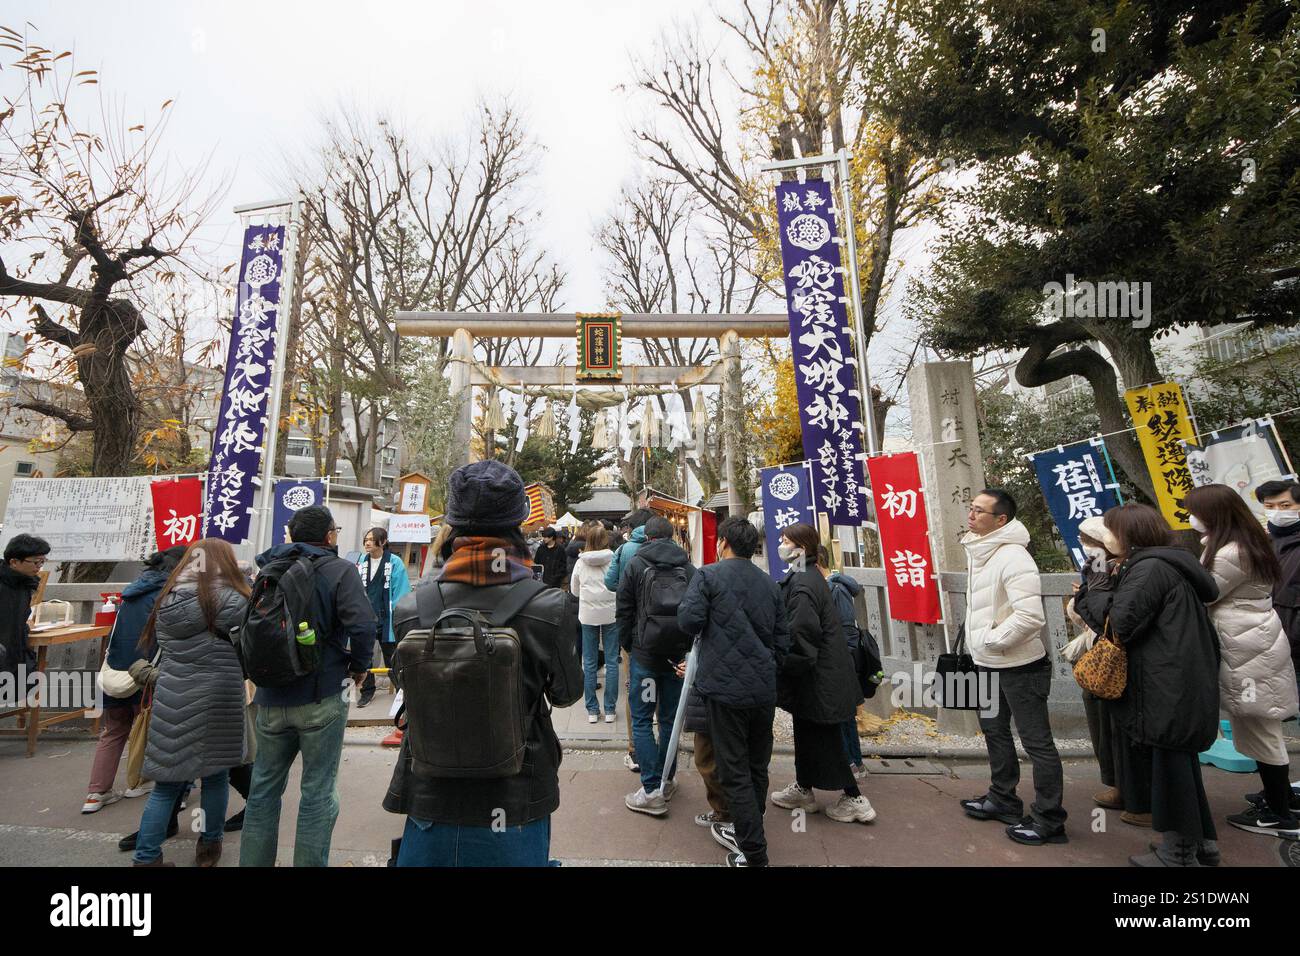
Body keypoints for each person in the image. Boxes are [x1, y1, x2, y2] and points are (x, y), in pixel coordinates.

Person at [383, 460, 582, 866]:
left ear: (452, 525)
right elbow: (565, 694)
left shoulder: (411, 608)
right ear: (518, 524)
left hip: (430, 800)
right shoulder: (549, 607)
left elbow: (406, 687)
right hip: (515, 800)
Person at [1074, 503, 1222, 867]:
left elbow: (1120, 625)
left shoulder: (1150, 568)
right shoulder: (1169, 562)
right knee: (1179, 764)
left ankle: (1178, 854)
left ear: (1127, 534)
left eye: (1111, 530)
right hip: (1179, 677)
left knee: (1171, 765)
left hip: (1164, 681)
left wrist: (1091, 590)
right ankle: (1200, 844)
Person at [239, 505, 377, 868]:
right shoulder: (340, 570)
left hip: (269, 699)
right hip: (322, 694)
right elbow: (363, 626)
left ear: (291, 534)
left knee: (263, 791)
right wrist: (360, 669)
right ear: (330, 536)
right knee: (316, 792)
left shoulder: (267, 569)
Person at [128, 538, 251, 867]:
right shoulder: (234, 599)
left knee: (166, 785)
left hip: (172, 694)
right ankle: (209, 848)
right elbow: (250, 648)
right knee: (215, 777)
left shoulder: (166, 599)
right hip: (220, 696)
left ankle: (146, 858)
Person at [1185, 484, 1299, 838]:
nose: (1191, 519)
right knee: (1260, 725)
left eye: (1195, 512)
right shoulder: (1248, 541)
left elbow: (1206, 592)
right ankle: (1278, 798)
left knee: (1260, 727)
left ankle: (1280, 816)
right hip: (1255, 639)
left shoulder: (1230, 552)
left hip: (1245, 646)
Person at [678, 516, 791, 867]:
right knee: (757, 765)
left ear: (724, 543)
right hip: (762, 689)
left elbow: (688, 621)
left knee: (734, 770)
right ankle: (750, 831)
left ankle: (754, 852)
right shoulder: (770, 583)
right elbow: (783, 641)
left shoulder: (708, 575)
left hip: (723, 690)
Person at [956, 489, 1066, 847]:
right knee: (994, 731)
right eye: (970, 508)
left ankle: (1049, 819)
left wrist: (990, 640)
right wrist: (981, 649)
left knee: (1037, 743)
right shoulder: (980, 551)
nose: (971, 515)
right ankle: (1003, 799)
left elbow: (1030, 617)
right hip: (986, 665)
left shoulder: (1014, 556)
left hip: (1020, 666)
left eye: (979, 511)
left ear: (1000, 520)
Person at [770, 525, 872, 824]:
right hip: (822, 676)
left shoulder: (802, 584)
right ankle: (803, 788)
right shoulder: (807, 575)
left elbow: (802, 637)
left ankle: (855, 799)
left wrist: (785, 666)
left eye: (786, 541)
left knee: (827, 740)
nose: (781, 544)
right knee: (808, 733)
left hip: (818, 678)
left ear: (800, 548)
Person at [83, 546, 186, 817]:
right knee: (159, 731)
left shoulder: (131, 592)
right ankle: (150, 784)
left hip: (116, 670)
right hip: (148, 674)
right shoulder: (169, 595)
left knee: (114, 731)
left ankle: (96, 793)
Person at [1063, 517, 1153, 825]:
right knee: (1103, 725)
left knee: (1124, 730)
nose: (1085, 545)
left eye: (1089, 540)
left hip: (1122, 660)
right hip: (1101, 657)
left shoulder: (1128, 569)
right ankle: (1118, 784)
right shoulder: (1099, 567)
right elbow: (1087, 617)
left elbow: (1106, 616)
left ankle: (1139, 796)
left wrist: (1085, 596)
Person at [617, 515, 696, 815]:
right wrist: (687, 649)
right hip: (676, 657)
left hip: (645, 656)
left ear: (646, 537)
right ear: (672, 535)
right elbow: (696, 611)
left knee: (641, 719)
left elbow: (623, 609)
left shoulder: (636, 564)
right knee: (668, 719)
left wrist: (630, 644)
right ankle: (667, 779)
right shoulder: (687, 566)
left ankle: (651, 790)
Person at [606, 508, 652, 773]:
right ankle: (663, 755)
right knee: (664, 691)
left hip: (633, 628)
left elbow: (610, 583)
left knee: (635, 688)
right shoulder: (671, 547)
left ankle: (636, 752)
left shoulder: (625, 551)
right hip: (665, 632)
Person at [355, 527, 412, 709]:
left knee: (392, 655)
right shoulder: (361, 562)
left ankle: (400, 691)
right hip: (366, 617)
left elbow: (401, 591)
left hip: (386, 617)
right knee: (365, 656)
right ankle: (367, 690)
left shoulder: (394, 562)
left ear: (383, 541)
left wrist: (395, 615)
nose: (368, 543)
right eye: (366, 540)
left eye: (372, 539)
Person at [824, 549, 868, 777]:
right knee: (845, 715)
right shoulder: (829, 585)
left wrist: (842, 657)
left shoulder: (836, 588)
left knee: (842, 716)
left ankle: (851, 764)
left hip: (840, 661)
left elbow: (848, 629)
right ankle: (854, 763)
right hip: (839, 660)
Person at [570, 523, 620, 723]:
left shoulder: (580, 563)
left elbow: (574, 590)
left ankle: (592, 710)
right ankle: (610, 710)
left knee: (588, 662)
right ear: (605, 540)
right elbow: (619, 584)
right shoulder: (613, 559)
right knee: (612, 662)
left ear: (588, 541)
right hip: (610, 614)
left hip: (588, 615)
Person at [1256, 479, 1300, 697]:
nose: (1277, 512)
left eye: (1285, 506)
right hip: (1276, 642)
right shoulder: (1262, 545)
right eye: (1269, 506)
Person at [0, 533, 49, 679]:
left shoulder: (25, 585)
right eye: (36, 562)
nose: (39, 567)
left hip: (13, 654)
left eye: (42, 561)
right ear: (14, 562)